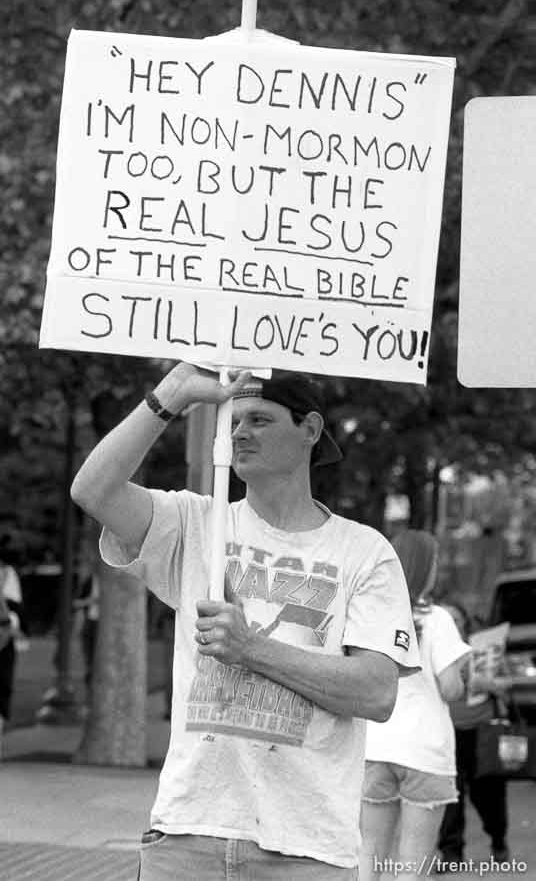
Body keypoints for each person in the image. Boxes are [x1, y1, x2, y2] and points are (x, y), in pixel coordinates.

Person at [71, 361, 421, 880]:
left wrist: (251, 648)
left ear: (310, 430)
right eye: (233, 420)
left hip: (307, 851)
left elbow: (376, 693)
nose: (238, 432)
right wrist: (171, 395)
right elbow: (92, 492)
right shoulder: (196, 524)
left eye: (259, 419)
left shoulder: (364, 552)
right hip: (187, 836)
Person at [359, 530, 471, 881]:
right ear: (424, 568)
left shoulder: (372, 614)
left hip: (375, 746)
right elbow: (451, 689)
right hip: (424, 751)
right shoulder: (438, 620)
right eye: (435, 561)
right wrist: (467, 673)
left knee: (368, 853)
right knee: (412, 864)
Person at [437, 602, 510, 865]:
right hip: (446, 731)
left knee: (487, 794)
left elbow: (506, 685)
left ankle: (498, 839)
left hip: (482, 731)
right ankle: (451, 853)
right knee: (449, 796)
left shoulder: (484, 649)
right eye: (448, 619)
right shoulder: (432, 648)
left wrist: (487, 682)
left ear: (466, 622)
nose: (453, 624)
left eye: (457, 619)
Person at [0, 540, 27, 757]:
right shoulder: (7, 574)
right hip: (5, 633)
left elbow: (13, 607)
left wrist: (11, 627)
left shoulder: (7, 574)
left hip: (4, 634)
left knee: (3, 685)